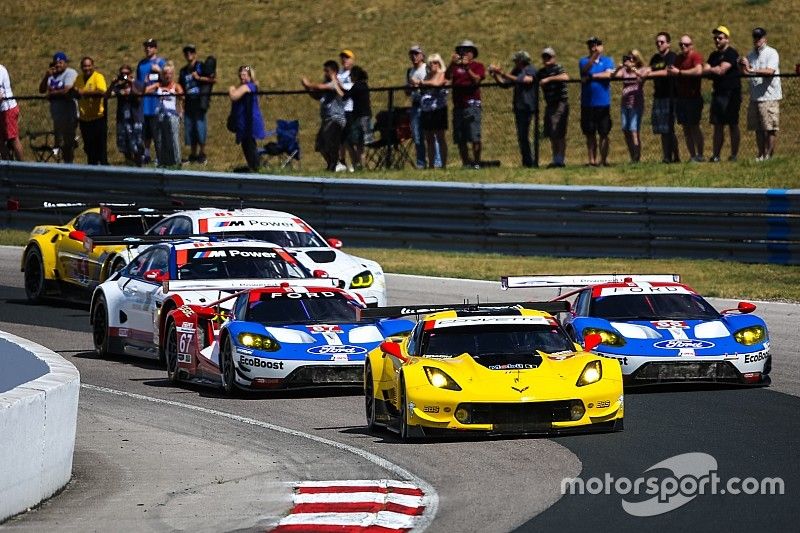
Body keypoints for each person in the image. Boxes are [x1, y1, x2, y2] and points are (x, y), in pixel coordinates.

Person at [489, 50, 537, 167]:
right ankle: (526, 161)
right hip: (519, 107)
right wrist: (496, 75)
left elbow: (526, 80)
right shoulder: (517, 71)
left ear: (522, 60)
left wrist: (503, 73)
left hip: (527, 106)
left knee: (525, 135)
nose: (515, 62)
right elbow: (505, 84)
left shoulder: (530, 69)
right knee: (521, 136)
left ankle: (530, 162)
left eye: (516, 60)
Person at [740, 27, 781, 161]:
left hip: (769, 96)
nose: (757, 40)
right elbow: (747, 73)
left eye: (759, 37)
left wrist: (752, 69)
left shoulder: (771, 53)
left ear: (765, 38)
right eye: (755, 37)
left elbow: (769, 71)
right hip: (755, 97)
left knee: (769, 128)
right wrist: (743, 66)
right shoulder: (751, 55)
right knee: (758, 128)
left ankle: (769, 156)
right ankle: (761, 154)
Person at [445, 39, 486, 168]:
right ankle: (466, 163)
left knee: (474, 136)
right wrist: (452, 64)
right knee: (460, 137)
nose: (464, 53)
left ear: (473, 53)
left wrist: (467, 67)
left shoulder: (478, 66)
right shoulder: (456, 67)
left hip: (472, 105)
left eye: (467, 51)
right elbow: (447, 76)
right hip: (458, 106)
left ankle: (477, 162)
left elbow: (477, 80)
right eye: (461, 51)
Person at [703, 26, 741, 162]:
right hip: (718, 93)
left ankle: (734, 155)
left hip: (731, 93)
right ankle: (716, 155)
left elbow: (721, 70)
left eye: (720, 37)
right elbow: (705, 69)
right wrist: (714, 69)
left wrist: (711, 69)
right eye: (715, 38)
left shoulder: (732, 53)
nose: (717, 40)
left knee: (732, 124)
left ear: (727, 39)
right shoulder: (713, 55)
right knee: (717, 125)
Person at [667, 35, 705, 161]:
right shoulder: (678, 59)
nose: (683, 47)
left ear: (691, 45)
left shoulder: (695, 56)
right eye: (681, 45)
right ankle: (692, 156)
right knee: (685, 128)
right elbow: (674, 70)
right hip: (681, 98)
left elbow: (698, 71)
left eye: (686, 44)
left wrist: (680, 73)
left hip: (693, 98)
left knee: (694, 126)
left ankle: (700, 155)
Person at [302, 61, 345, 171]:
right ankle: (332, 164)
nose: (325, 73)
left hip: (335, 119)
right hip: (326, 119)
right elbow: (317, 95)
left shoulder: (335, 83)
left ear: (334, 72)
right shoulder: (327, 86)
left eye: (327, 71)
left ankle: (335, 164)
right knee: (320, 145)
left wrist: (309, 84)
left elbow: (320, 87)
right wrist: (307, 89)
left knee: (330, 143)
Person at [579, 37, 615, 166]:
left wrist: (593, 76)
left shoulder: (607, 61)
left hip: (603, 103)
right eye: (590, 46)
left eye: (595, 45)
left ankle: (603, 160)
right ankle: (591, 161)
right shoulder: (583, 61)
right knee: (590, 133)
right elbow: (584, 71)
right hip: (587, 104)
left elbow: (609, 74)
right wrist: (593, 58)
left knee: (604, 133)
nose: (593, 48)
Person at [38, 52, 78, 163]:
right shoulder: (52, 75)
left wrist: (52, 94)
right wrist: (46, 76)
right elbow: (42, 90)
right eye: (56, 63)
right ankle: (62, 166)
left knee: (67, 143)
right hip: (57, 115)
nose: (58, 65)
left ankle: (69, 165)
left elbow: (67, 90)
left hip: (69, 115)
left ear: (65, 63)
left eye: (61, 62)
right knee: (59, 144)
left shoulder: (70, 73)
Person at [645, 32, 679, 163]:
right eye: (657, 42)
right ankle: (666, 156)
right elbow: (648, 69)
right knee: (663, 130)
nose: (659, 44)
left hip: (670, 97)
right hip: (658, 96)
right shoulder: (655, 58)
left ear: (668, 44)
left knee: (669, 128)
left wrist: (650, 72)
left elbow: (668, 71)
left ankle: (674, 156)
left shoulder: (672, 57)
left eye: (662, 42)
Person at [179, 44, 215, 164]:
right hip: (188, 103)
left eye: (191, 52)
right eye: (186, 52)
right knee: (190, 129)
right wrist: (181, 103)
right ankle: (193, 154)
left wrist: (199, 78)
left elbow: (212, 80)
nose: (189, 54)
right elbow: (181, 87)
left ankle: (202, 153)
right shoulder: (183, 71)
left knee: (200, 128)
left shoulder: (201, 66)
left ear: (195, 54)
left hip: (199, 103)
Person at [145, 61, 183, 167]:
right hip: (159, 115)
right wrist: (147, 82)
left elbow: (183, 96)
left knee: (173, 138)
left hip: (172, 115)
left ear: (173, 74)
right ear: (162, 75)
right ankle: (162, 161)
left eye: (170, 74)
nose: (168, 76)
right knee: (160, 139)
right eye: (166, 74)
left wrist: (173, 93)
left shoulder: (176, 86)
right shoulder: (158, 85)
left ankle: (176, 161)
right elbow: (145, 91)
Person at [414, 53, 448, 169]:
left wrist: (422, 83)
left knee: (440, 137)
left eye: (434, 62)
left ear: (439, 63)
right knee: (428, 138)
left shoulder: (442, 74)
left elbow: (437, 84)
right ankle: (431, 165)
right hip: (426, 110)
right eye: (430, 63)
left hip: (438, 109)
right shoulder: (427, 76)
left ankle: (443, 164)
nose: (432, 65)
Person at [230, 65, 266, 172]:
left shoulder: (249, 86)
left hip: (250, 123)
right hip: (243, 123)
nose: (242, 77)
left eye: (244, 75)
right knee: (246, 146)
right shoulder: (244, 86)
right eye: (240, 75)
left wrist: (231, 88)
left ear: (250, 76)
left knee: (250, 146)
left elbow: (234, 95)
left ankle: (257, 168)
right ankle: (253, 167)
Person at [537, 47, 569, 168]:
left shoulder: (558, 68)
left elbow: (566, 77)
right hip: (549, 104)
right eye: (544, 57)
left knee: (559, 132)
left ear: (554, 58)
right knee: (551, 133)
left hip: (560, 103)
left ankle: (560, 160)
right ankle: (555, 159)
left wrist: (549, 79)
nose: (546, 59)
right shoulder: (541, 72)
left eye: (549, 57)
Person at [136, 38, 166, 164]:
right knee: (145, 131)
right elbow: (138, 83)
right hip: (144, 102)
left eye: (151, 46)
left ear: (155, 48)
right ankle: (146, 154)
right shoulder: (141, 64)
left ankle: (160, 156)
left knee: (157, 131)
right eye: (146, 46)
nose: (148, 49)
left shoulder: (161, 62)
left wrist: (159, 71)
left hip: (156, 101)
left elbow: (167, 79)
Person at [74, 57, 108, 165]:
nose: (87, 68)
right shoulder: (78, 79)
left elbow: (101, 92)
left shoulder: (98, 77)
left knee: (101, 149)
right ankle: (92, 171)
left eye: (89, 66)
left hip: (98, 118)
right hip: (84, 119)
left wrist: (83, 92)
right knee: (89, 149)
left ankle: (105, 171)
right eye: (84, 66)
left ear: (93, 66)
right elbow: (76, 92)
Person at [108, 64, 143, 165]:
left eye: (126, 74)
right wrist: (113, 84)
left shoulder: (137, 84)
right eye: (122, 74)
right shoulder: (119, 87)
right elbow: (107, 96)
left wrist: (131, 84)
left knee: (137, 145)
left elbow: (139, 98)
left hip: (136, 119)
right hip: (122, 119)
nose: (124, 76)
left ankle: (139, 164)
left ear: (131, 74)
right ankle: (129, 163)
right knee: (124, 145)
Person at [614, 50, 645, 163]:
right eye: (629, 58)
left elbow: (642, 78)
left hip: (636, 104)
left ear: (637, 60)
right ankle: (632, 156)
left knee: (634, 130)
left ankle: (637, 157)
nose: (630, 60)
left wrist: (634, 69)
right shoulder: (624, 71)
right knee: (626, 130)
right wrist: (619, 67)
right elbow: (614, 76)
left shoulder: (640, 69)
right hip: (625, 104)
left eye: (633, 58)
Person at [406, 45, 429, 169]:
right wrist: (410, 87)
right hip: (415, 106)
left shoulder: (427, 69)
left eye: (416, 54)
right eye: (412, 54)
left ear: (422, 56)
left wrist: (419, 85)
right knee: (417, 136)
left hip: (427, 106)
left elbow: (433, 87)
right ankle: (421, 163)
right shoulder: (410, 72)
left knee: (431, 135)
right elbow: (407, 92)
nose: (414, 56)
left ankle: (436, 162)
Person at [347, 65, 372, 170]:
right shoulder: (364, 85)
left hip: (359, 118)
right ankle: (360, 165)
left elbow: (345, 96)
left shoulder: (357, 86)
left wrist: (337, 85)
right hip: (366, 117)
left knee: (354, 142)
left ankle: (358, 165)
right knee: (361, 144)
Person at [337, 49, 356, 172]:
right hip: (339, 110)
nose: (344, 60)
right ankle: (342, 162)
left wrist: (338, 84)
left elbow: (348, 91)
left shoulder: (354, 74)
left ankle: (355, 162)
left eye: (347, 57)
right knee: (340, 138)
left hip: (351, 109)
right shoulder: (339, 74)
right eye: (343, 57)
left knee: (350, 138)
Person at [0, 63, 23, 160]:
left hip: (7, 109)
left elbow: (0, 96)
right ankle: (5, 167)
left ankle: (23, 168)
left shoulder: (0, 70)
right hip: (1, 110)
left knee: (13, 138)